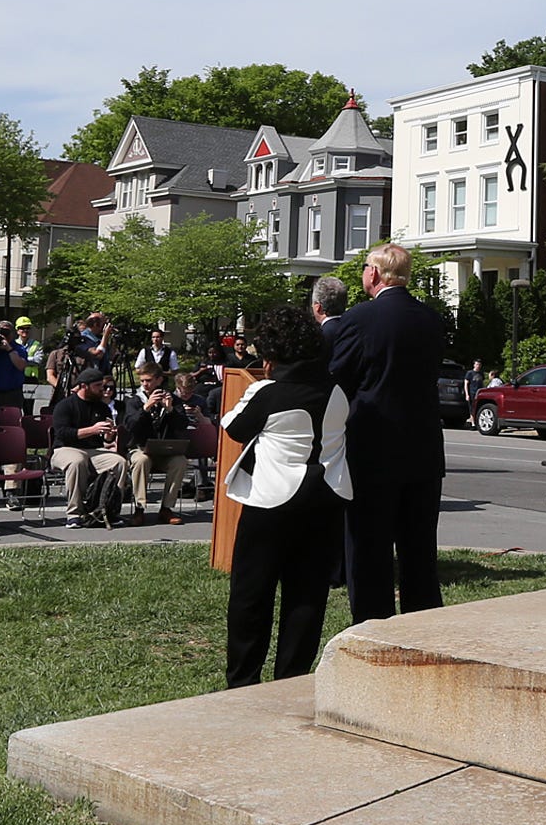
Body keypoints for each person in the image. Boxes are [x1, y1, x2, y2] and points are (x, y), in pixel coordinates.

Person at [221, 307, 351, 687]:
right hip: (326, 498)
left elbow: (235, 428)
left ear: (272, 351)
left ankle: (243, 681)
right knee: (307, 595)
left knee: (252, 595)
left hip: (273, 502)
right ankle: (291, 678)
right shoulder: (337, 390)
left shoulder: (266, 391)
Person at [324, 243, 449, 620]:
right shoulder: (431, 319)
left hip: (372, 447)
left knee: (368, 548)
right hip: (424, 448)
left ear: (374, 274)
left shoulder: (360, 319)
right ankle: (422, 622)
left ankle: (371, 622)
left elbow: (337, 378)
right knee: (419, 549)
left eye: (364, 267)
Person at [46, 370, 127, 529]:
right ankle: (74, 514)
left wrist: (110, 435)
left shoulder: (102, 407)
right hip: (64, 449)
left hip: (93, 450)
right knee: (77, 461)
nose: (102, 389)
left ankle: (111, 510)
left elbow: (104, 439)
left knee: (119, 462)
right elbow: (62, 433)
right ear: (84, 386)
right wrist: (92, 430)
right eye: (97, 386)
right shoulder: (65, 405)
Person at [122, 373, 198, 523]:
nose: (145, 384)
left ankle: (166, 509)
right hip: (140, 449)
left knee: (180, 461)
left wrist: (170, 410)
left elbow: (182, 425)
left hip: (165, 451)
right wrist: (146, 408)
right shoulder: (134, 401)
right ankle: (139, 509)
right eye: (142, 381)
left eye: (149, 380)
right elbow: (130, 426)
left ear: (159, 380)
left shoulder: (173, 400)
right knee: (141, 461)